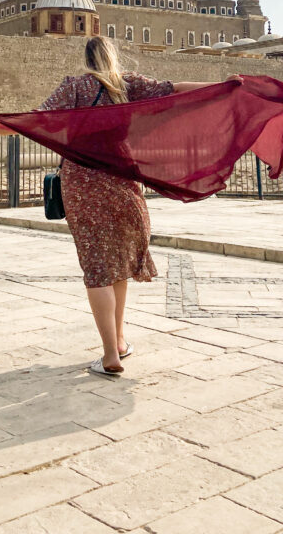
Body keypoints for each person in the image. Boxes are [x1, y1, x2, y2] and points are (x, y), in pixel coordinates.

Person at [37, 35, 216, 378]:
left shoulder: (74, 86)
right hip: (121, 179)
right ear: (112, 57)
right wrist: (222, 85)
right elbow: (174, 89)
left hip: (83, 182)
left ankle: (109, 355)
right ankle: (118, 341)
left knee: (97, 266)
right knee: (118, 260)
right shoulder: (129, 85)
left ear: (87, 59)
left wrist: (1, 123)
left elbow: (42, 116)